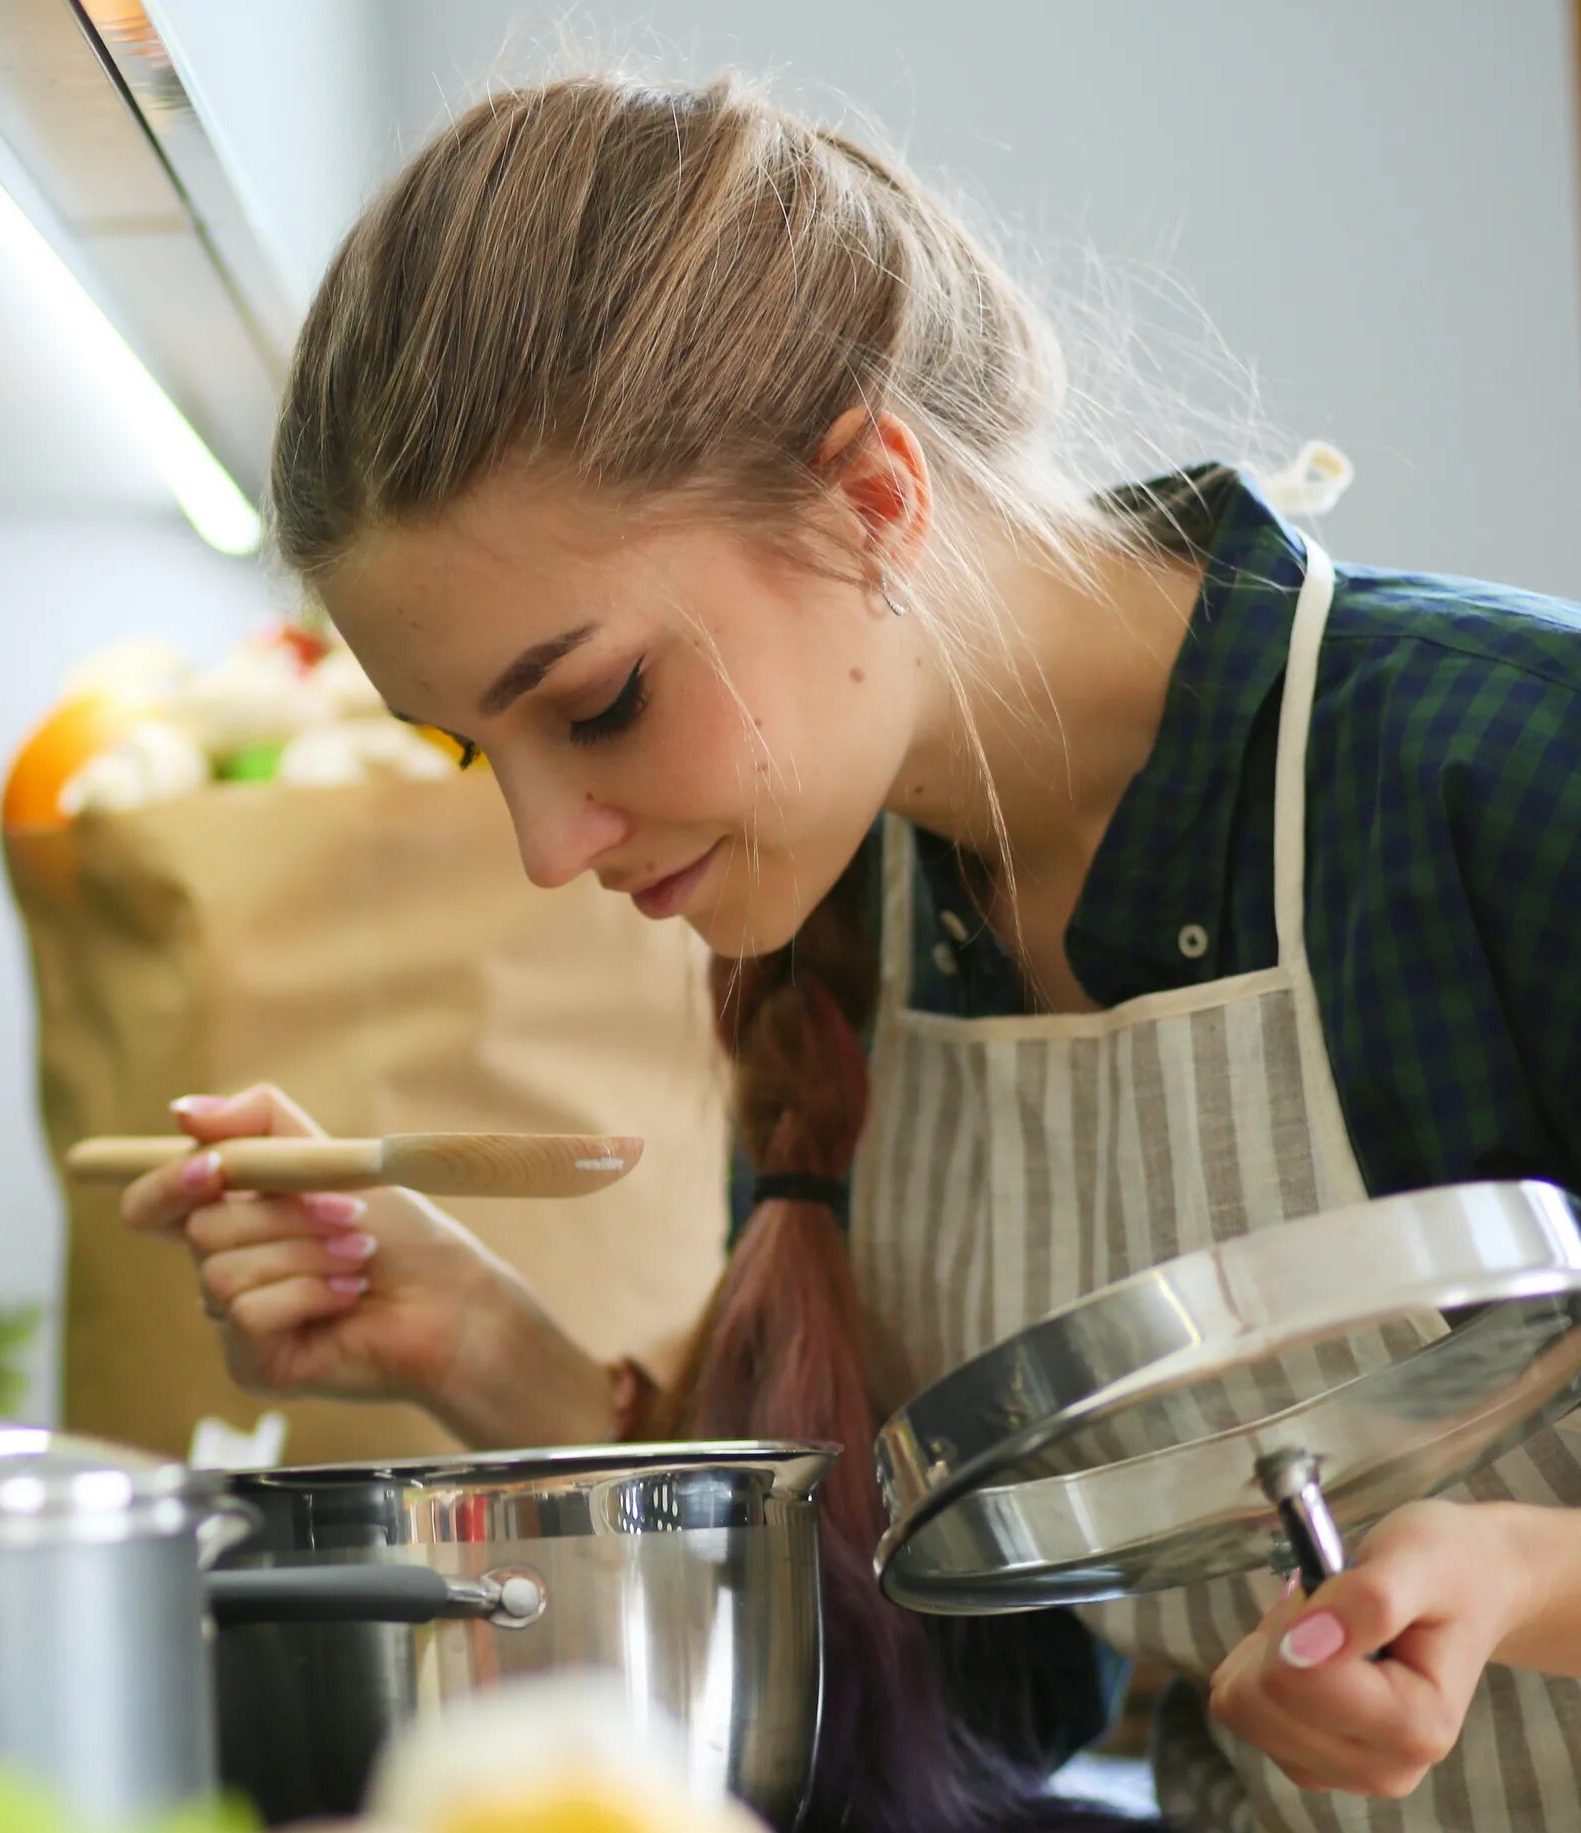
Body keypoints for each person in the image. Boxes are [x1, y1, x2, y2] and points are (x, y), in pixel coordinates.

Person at [119, 70, 1581, 1833]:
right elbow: (981, 1685)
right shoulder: (852, 921)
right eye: (471, 752)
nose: (545, 845)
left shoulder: (1500, 765)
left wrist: (1519, 1573)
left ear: (871, 498)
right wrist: (497, 1363)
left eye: (597, 702)